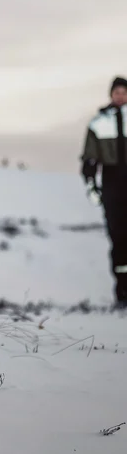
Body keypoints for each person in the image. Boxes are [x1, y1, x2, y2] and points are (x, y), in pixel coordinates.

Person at [80, 76, 127, 311]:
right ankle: (123, 290)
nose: (120, 96)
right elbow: (90, 158)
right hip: (112, 184)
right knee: (118, 238)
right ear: (111, 94)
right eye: (117, 92)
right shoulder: (99, 123)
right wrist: (91, 185)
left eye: (124, 92)